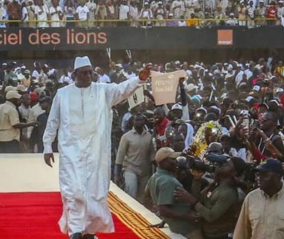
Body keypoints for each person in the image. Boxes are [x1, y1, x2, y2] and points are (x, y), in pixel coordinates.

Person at [42, 56, 151, 239]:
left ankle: (89, 231)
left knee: (95, 191)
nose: (89, 76)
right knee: (73, 190)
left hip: (96, 151)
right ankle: (75, 230)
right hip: (71, 151)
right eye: (84, 73)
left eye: (91, 72)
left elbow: (122, 90)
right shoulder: (63, 94)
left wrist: (140, 78)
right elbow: (53, 121)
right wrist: (47, 146)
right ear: (75, 73)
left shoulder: (103, 91)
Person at [233, 158, 284, 239]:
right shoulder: (251, 198)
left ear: (278, 176)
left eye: (264, 174)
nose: (259, 178)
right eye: (257, 174)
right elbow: (241, 233)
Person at [174, 157, 241, 239]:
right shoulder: (216, 184)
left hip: (219, 235)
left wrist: (191, 199)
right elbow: (199, 199)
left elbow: (210, 216)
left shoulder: (229, 193)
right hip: (207, 231)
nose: (222, 165)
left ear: (234, 172)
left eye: (227, 164)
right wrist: (197, 180)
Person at [146, 147, 203, 239]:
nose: (176, 162)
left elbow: (148, 195)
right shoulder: (168, 181)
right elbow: (163, 209)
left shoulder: (154, 177)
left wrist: (164, 220)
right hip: (185, 229)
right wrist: (188, 217)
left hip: (175, 225)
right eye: (172, 159)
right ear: (163, 162)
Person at [114, 113, 155, 203]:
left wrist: (154, 171)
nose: (139, 122)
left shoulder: (149, 136)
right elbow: (120, 156)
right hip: (130, 169)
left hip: (145, 171)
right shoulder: (126, 137)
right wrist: (117, 175)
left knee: (141, 198)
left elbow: (152, 155)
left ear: (144, 121)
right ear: (133, 122)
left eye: (141, 120)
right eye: (137, 120)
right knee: (131, 194)